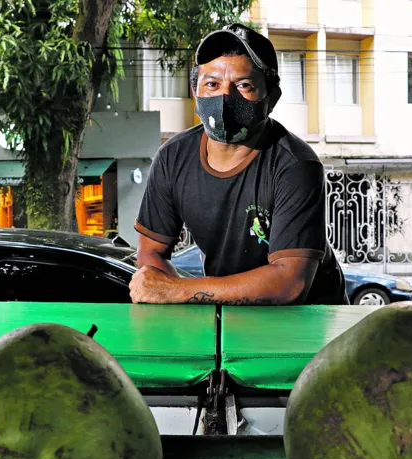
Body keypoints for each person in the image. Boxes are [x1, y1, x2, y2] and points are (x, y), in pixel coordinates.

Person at [130, 23, 348, 306]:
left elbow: (290, 283)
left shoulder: (296, 165)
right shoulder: (173, 157)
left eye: (244, 85)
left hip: (307, 320)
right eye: (212, 84)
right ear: (195, 92)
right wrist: (161, 287)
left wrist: (177, 290)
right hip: (230, 313)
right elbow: (151, 253)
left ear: (271, 97)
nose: (225, 97)